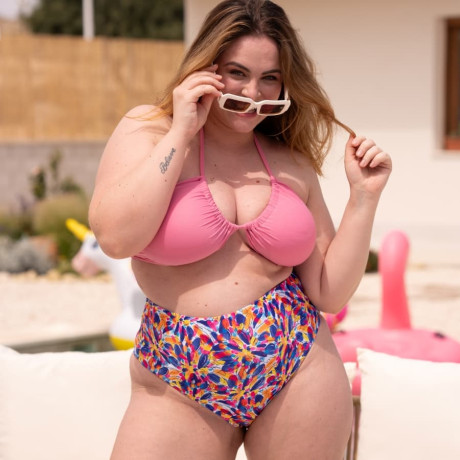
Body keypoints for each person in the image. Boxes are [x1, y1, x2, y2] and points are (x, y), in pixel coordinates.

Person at [89, 0, 392, 458]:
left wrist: (364, 198)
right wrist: (181, 133)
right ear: (206, 67)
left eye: (270, 77)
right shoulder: (148, 130)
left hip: (298, 362)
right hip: (178, 374)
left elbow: (329, 292)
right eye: (237, 72)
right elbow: (115, 238)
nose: (253, 92)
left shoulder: (292, 162)